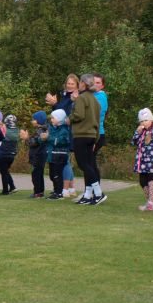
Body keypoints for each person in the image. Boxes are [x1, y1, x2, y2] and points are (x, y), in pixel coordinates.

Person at [70, 74, 106, 205]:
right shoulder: (94, 100)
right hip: (92, 135)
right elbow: (97, 119)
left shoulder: (82, 98)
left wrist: (69, 118)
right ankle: (88, 194)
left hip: (82, 134)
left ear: (84, 84)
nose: (78, 84)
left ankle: (98, 193)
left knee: (83, 164)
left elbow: (78, 115)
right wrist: (96, 137)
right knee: (89, 164)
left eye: (80, 82)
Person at [46, 74, 79, 197]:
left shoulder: (75, 98)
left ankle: (65, 189)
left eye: (72, 84)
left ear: (77, 85)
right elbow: (59, 112)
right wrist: (55, 104)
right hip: (62, 128)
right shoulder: (65, 96)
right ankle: (71, 188)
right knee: (67, 160)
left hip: (67, 130)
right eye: (68, 83)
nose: (70, 86)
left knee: (65, 160)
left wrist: (55, 104)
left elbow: (65, 113)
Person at [133, 107, 153, 212]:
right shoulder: (141, 131)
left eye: (146, 120)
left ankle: (151, 203)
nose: (144, 123)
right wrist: (137, 133)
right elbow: (134, 142)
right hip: (142, 162)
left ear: (151, 120)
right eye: (141, 121)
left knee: (152, 182)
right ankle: (150, 203)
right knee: (143, 182)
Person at [19, 111, 48, 198]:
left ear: (38, 120)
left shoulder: (40, 131)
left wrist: (26, 138)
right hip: (39, 155)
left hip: (38, 155)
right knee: (38, 174)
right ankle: (39, 192)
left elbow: (34, 143)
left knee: (36, 175)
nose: (32, 121)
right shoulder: (41, 130)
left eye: (33, 119)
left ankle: (38, 192)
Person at [46, 109, 70, 199]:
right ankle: (56, 190)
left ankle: (58, 193)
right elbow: (48, 139)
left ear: (59, 119)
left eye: (53, 118)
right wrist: (43, 138)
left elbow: (60, 141)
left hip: (60, 155)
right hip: (52, 155)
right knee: (52, 175)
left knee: (57, 175)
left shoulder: (64, 130)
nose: (51, 119)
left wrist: (48, 137)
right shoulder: (52, 128)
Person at [93, 73, 109, 184]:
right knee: (88, 162)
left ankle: (95, 188)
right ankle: (90, 189)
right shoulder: (91, 95)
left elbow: (96, 114)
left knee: (90, 163)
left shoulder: (101, 96)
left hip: (97, 134)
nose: (95, 84)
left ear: (102, 86)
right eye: (93, 82)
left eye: (98, 82)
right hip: (91, 132)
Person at [0, 114, 19, 194]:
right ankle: (12, 187)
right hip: (12, 154)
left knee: (4, 172)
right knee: (5, 171)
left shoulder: (4, 130)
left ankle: (5, 190)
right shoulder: (16, 130)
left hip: (4, 153)